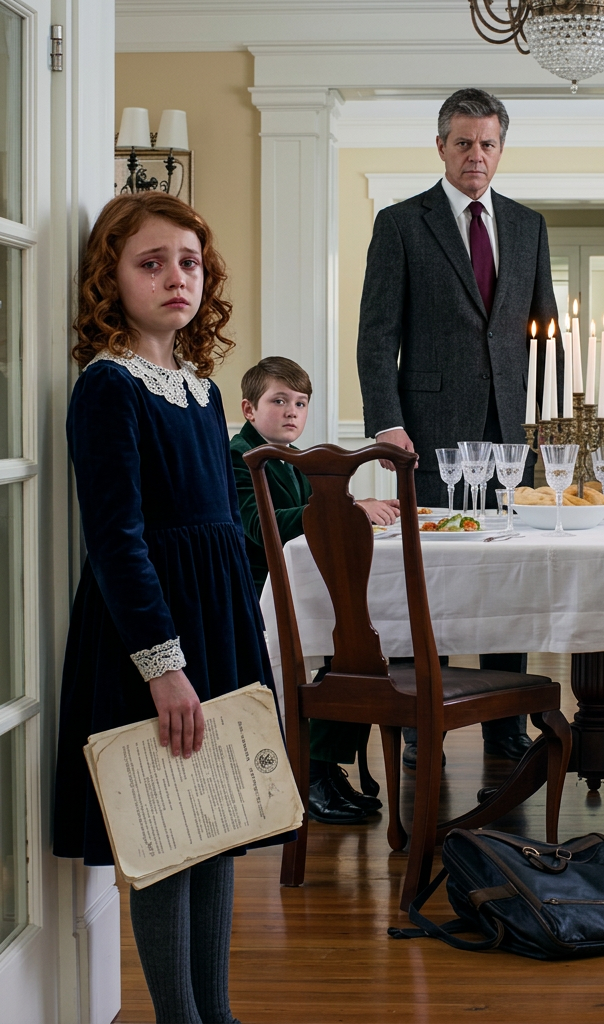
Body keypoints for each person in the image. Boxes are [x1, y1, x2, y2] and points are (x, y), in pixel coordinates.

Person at [53, 192, 288, 1023]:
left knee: (218, 819)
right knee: (166, 832)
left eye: (188, 263)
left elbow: (225, 529)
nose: (174, 278)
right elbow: (116, 541)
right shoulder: (107, 388)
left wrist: (244, 632)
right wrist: (163, 664)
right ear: (111, 280)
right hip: (156, 638)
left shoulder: (204, 390)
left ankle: (215, 1013)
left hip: (219, 624)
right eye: (150, 264)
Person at [356, 87, 561, 767]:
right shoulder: (400, 223)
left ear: (501, 149)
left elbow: (545, 334)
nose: (477, 154)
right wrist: (386, 423)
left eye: (488, 143)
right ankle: (424, 723)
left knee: (509, 575)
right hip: (427, 431)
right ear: (441, 146)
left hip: (511, 432)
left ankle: (506, 724)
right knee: (430, 575)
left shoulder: (529, 226)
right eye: (465, 142)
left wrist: (549, 419)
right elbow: (376, 334)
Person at [230, 356, 397, 824]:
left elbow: (317, 514)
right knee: (354, 653)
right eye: (279, 401)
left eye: (300, 403)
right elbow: (258, 525)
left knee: (365, 647)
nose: (291, 411)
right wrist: (349, 512)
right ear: (248, 408)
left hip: (298, 582)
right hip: (259, 588)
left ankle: (323, 768)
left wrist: (356, 509)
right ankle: (312, 772)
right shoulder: (241, 458)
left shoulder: (293, 459)